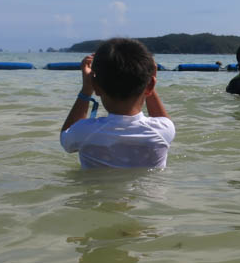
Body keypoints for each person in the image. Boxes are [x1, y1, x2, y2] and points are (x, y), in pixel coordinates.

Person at [60, 38, 176, 169]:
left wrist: (86, 90)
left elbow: (66, 140)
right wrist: (149, 80)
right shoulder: (163, 130)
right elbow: (162, 118)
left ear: (96, 87)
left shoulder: (83, 131)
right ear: (150, 86)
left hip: (99, 189)